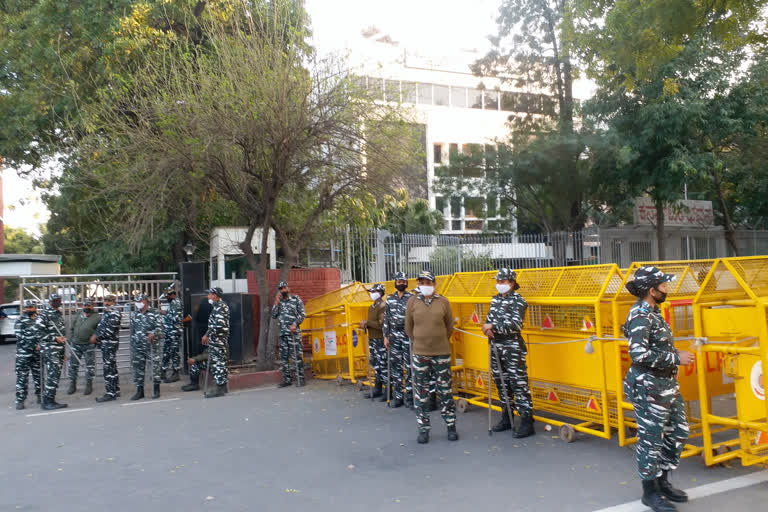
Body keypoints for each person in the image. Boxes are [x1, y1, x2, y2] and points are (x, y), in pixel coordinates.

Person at [623, 266, 695, 512]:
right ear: (651, 291)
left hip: (666, 385)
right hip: (648, 385)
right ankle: (649, 491)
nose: (667, 289)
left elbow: (654, 346)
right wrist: (676, 357)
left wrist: (673, 355)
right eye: (663, 287)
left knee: (680, 431)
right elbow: (638, 354)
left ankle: (662, 480)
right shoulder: (641, 315)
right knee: (651, 439)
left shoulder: (654, 312)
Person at [405, 270, 458, 444]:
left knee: (445, 392)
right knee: (421, 393)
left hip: (441, 353)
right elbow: (408, 327)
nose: (425, 286)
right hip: (420, 353)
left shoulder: (443, 301)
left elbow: (449, 325)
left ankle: (451, 426)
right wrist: (419, 341)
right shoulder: (412, 301)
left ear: (434, 285)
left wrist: (438, 339)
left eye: (428, 283)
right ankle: (423, 429)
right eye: (422, 283)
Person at [482, 268, 535, 438]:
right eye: (498, 281)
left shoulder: (518, 301)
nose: (499, 285)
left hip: (512, 348)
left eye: (502, 282)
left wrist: (493, 327)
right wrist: (488, 329)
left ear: (511, 283)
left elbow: (516, 324)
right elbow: (489, 320)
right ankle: (507, 417)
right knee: (501, 383)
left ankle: (527, 421)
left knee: (518, 384)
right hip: (495, 346)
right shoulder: (495, 300)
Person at [383, 272, 413, 408]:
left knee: (410, 367)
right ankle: (399, 396)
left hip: (407, 336)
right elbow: (386, 319)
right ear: (395, 282)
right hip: (394, 337)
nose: (401, 283)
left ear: (406, 283)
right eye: (398, 281)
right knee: (396, 367)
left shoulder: (411, 298)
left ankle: (410, 397)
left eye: (403, 281)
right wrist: (385, 336)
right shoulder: (390, 299)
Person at [271, 281, 306, 388]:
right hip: (283, 334)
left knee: (296, 356)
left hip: (293, 333)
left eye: (284, 288)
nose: (283, 290)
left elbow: (302, 314)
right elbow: (273, 315)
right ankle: (287, 380)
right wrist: (276, 303)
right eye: (281, 289)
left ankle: (300, 379)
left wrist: (295, 324)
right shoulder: (279, 302)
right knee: (284, 358)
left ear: (288, 289)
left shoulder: (296, 299)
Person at [130, 293, 163, 400]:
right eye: (137, 302)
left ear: (145, 301)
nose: (138, 304)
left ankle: (156, 390)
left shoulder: (155, 312)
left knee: (155, 368)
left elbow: (160, 327)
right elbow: (132, 330)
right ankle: (140, 391)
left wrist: (154, 333)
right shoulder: (135, 314)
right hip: (138, 346)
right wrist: (133, 343)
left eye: (139, 301)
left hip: (152, 346)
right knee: (138, 369)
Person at [38, 294, 68, 410]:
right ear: (50, 302)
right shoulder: (44, 314)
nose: (58, 302)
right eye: (55, 301)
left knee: (55, 375)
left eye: (59, 300)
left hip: (59, 349)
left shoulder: (58, 313)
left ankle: (50, 399)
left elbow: (62, 334)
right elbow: (38, 332)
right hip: (50, 349)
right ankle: (48, 401)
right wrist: (54, 339)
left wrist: (63, 352)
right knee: (52, 375)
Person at [66, 297, 100, 396]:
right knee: (73, 366)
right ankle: (72, 384)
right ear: (82, 306)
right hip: (75, 344)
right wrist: (72, 339)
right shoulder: (77, 315)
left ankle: (89, 384)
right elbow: (72, 328)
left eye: (89, 305)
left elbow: (100, 330)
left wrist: (95, 336)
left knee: (90, 366)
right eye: (85, 305)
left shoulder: (97, 317)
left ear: (92, 306)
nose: (87, 307)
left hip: (88, 345)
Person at [93, 294, 122, 402]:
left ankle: (110, 393)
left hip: (110, 344)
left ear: (113, 302)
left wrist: (97, 337)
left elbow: (109, 330)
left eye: (108, 301)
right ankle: (116, 390)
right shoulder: (108, 312)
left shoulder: (114, 312)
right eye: (105, 300)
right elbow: (101, 326)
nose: (106, 302)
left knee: (109, 369)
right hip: (106, 344)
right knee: (112, 367)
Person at [202, 287, 230, 398]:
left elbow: (218, 325)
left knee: (218, 363)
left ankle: (220, 388)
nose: (208, 296)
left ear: (215, 295)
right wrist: (207, 334)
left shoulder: (220, 307)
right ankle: (222, 386)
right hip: (216, 339)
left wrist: (207, 335)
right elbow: (213, 324)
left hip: (218, 339)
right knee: (220, 362)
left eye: (210, 294)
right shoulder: (217, 306)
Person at [14, 301, 42, 410]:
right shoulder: (20, 321)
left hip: (37, 354)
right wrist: (35, 345)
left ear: (35, 308)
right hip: (23, 355)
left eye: (31, 307)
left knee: (39, 376)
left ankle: (40, 396)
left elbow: (44, 333)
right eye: (27, 308)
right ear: (24, 309)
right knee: (22, 378)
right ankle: (20, 400)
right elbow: (20, 337)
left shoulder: (40, 320)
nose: (29, 309)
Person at [361, 283, 387, 400]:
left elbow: (381, 325)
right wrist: (365, 326)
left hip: (381, 340)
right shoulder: (371, 307)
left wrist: (367, 323)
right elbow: (371, 324)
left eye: (374, 292)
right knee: (376, 365)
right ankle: (377, 388)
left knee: (383, 365)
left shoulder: (383, 306)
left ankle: (387, 390)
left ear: (380, 293)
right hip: (372, 339)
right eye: (371, 292)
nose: (372, 294)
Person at [160, 286, 183, 383]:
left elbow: (176, 319)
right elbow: (171, 315)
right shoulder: (172, 303)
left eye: (168, 296)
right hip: (169, 332)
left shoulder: (176, 303)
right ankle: (163, 372)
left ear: (173, 295)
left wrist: (165, 315)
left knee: (174, 353)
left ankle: (176, 373)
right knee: (166, 352)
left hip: (174, 332)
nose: (166, 298)